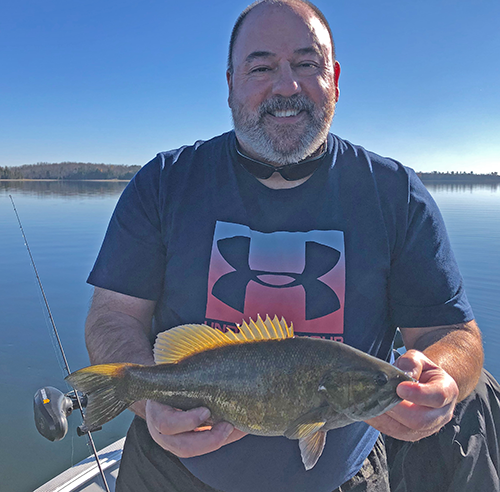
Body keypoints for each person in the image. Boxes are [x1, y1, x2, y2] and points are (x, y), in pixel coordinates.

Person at [84, 1, 497, 491]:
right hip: (169, 474)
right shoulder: (164, 182)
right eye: (261, 67)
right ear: (231, 82)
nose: (286, 86)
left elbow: (453, 333)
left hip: (346, 478)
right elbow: (113, 318)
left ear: (335, 79)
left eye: (306, 64)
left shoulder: (394, 194)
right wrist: (147, 399)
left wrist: (442, 378)